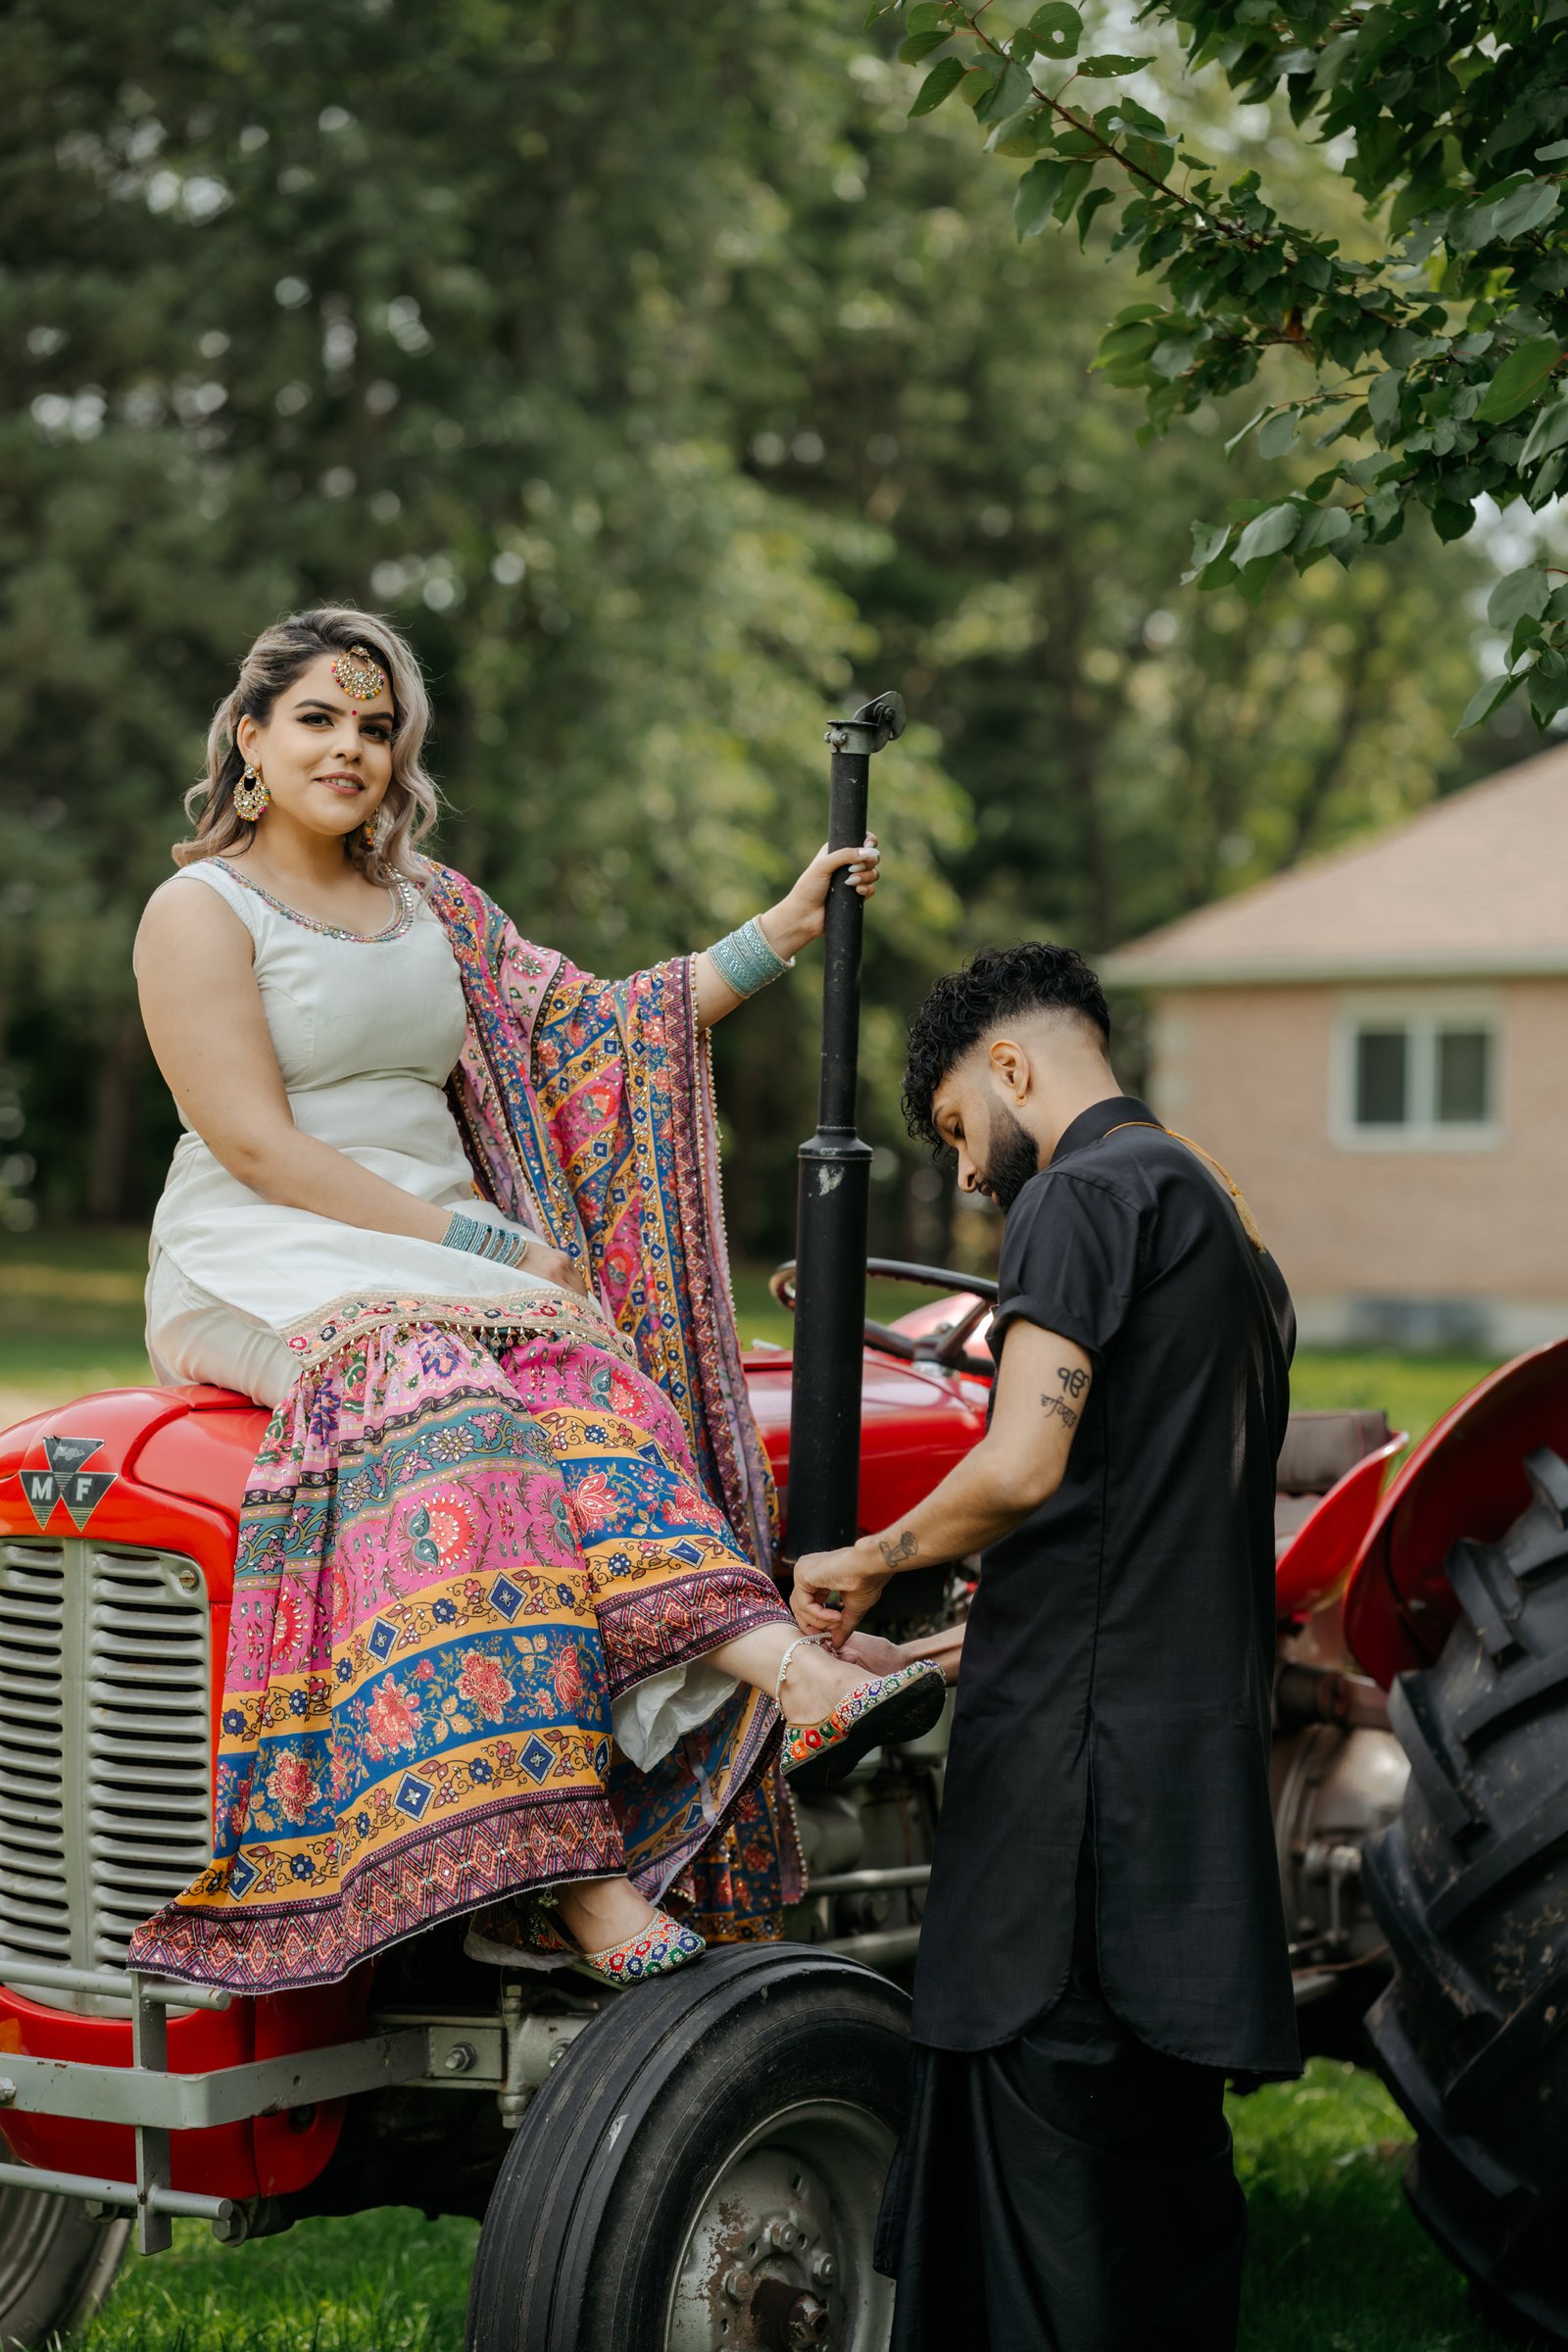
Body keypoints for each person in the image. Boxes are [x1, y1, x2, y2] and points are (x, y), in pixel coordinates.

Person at [126, 605, 944, 1997]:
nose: (351, 749)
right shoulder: (197, 908)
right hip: (269, 1244)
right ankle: (566, 1880)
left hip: (449, 1256)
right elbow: (257, 1142)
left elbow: (592, 1034)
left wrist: (779, 933)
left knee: (590, 1391)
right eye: (317, 718)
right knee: (439, 1404)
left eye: (376, 727)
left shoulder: (432, 907)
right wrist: (486, 1248)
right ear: (249, 737)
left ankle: (791, 1679)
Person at [790, 942, 1299, 2351]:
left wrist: (862, 1563)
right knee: (1147, 2213)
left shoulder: (1082, 1197)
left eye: (958, 1127)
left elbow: (1021, 1469)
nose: (965, 1174)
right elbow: (1128, 1554)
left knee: (1049, 2226)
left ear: (1012, 1067)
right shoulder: (1229, 1238)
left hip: (1074, 1836)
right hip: (1175, 1815)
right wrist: (928, 1661)